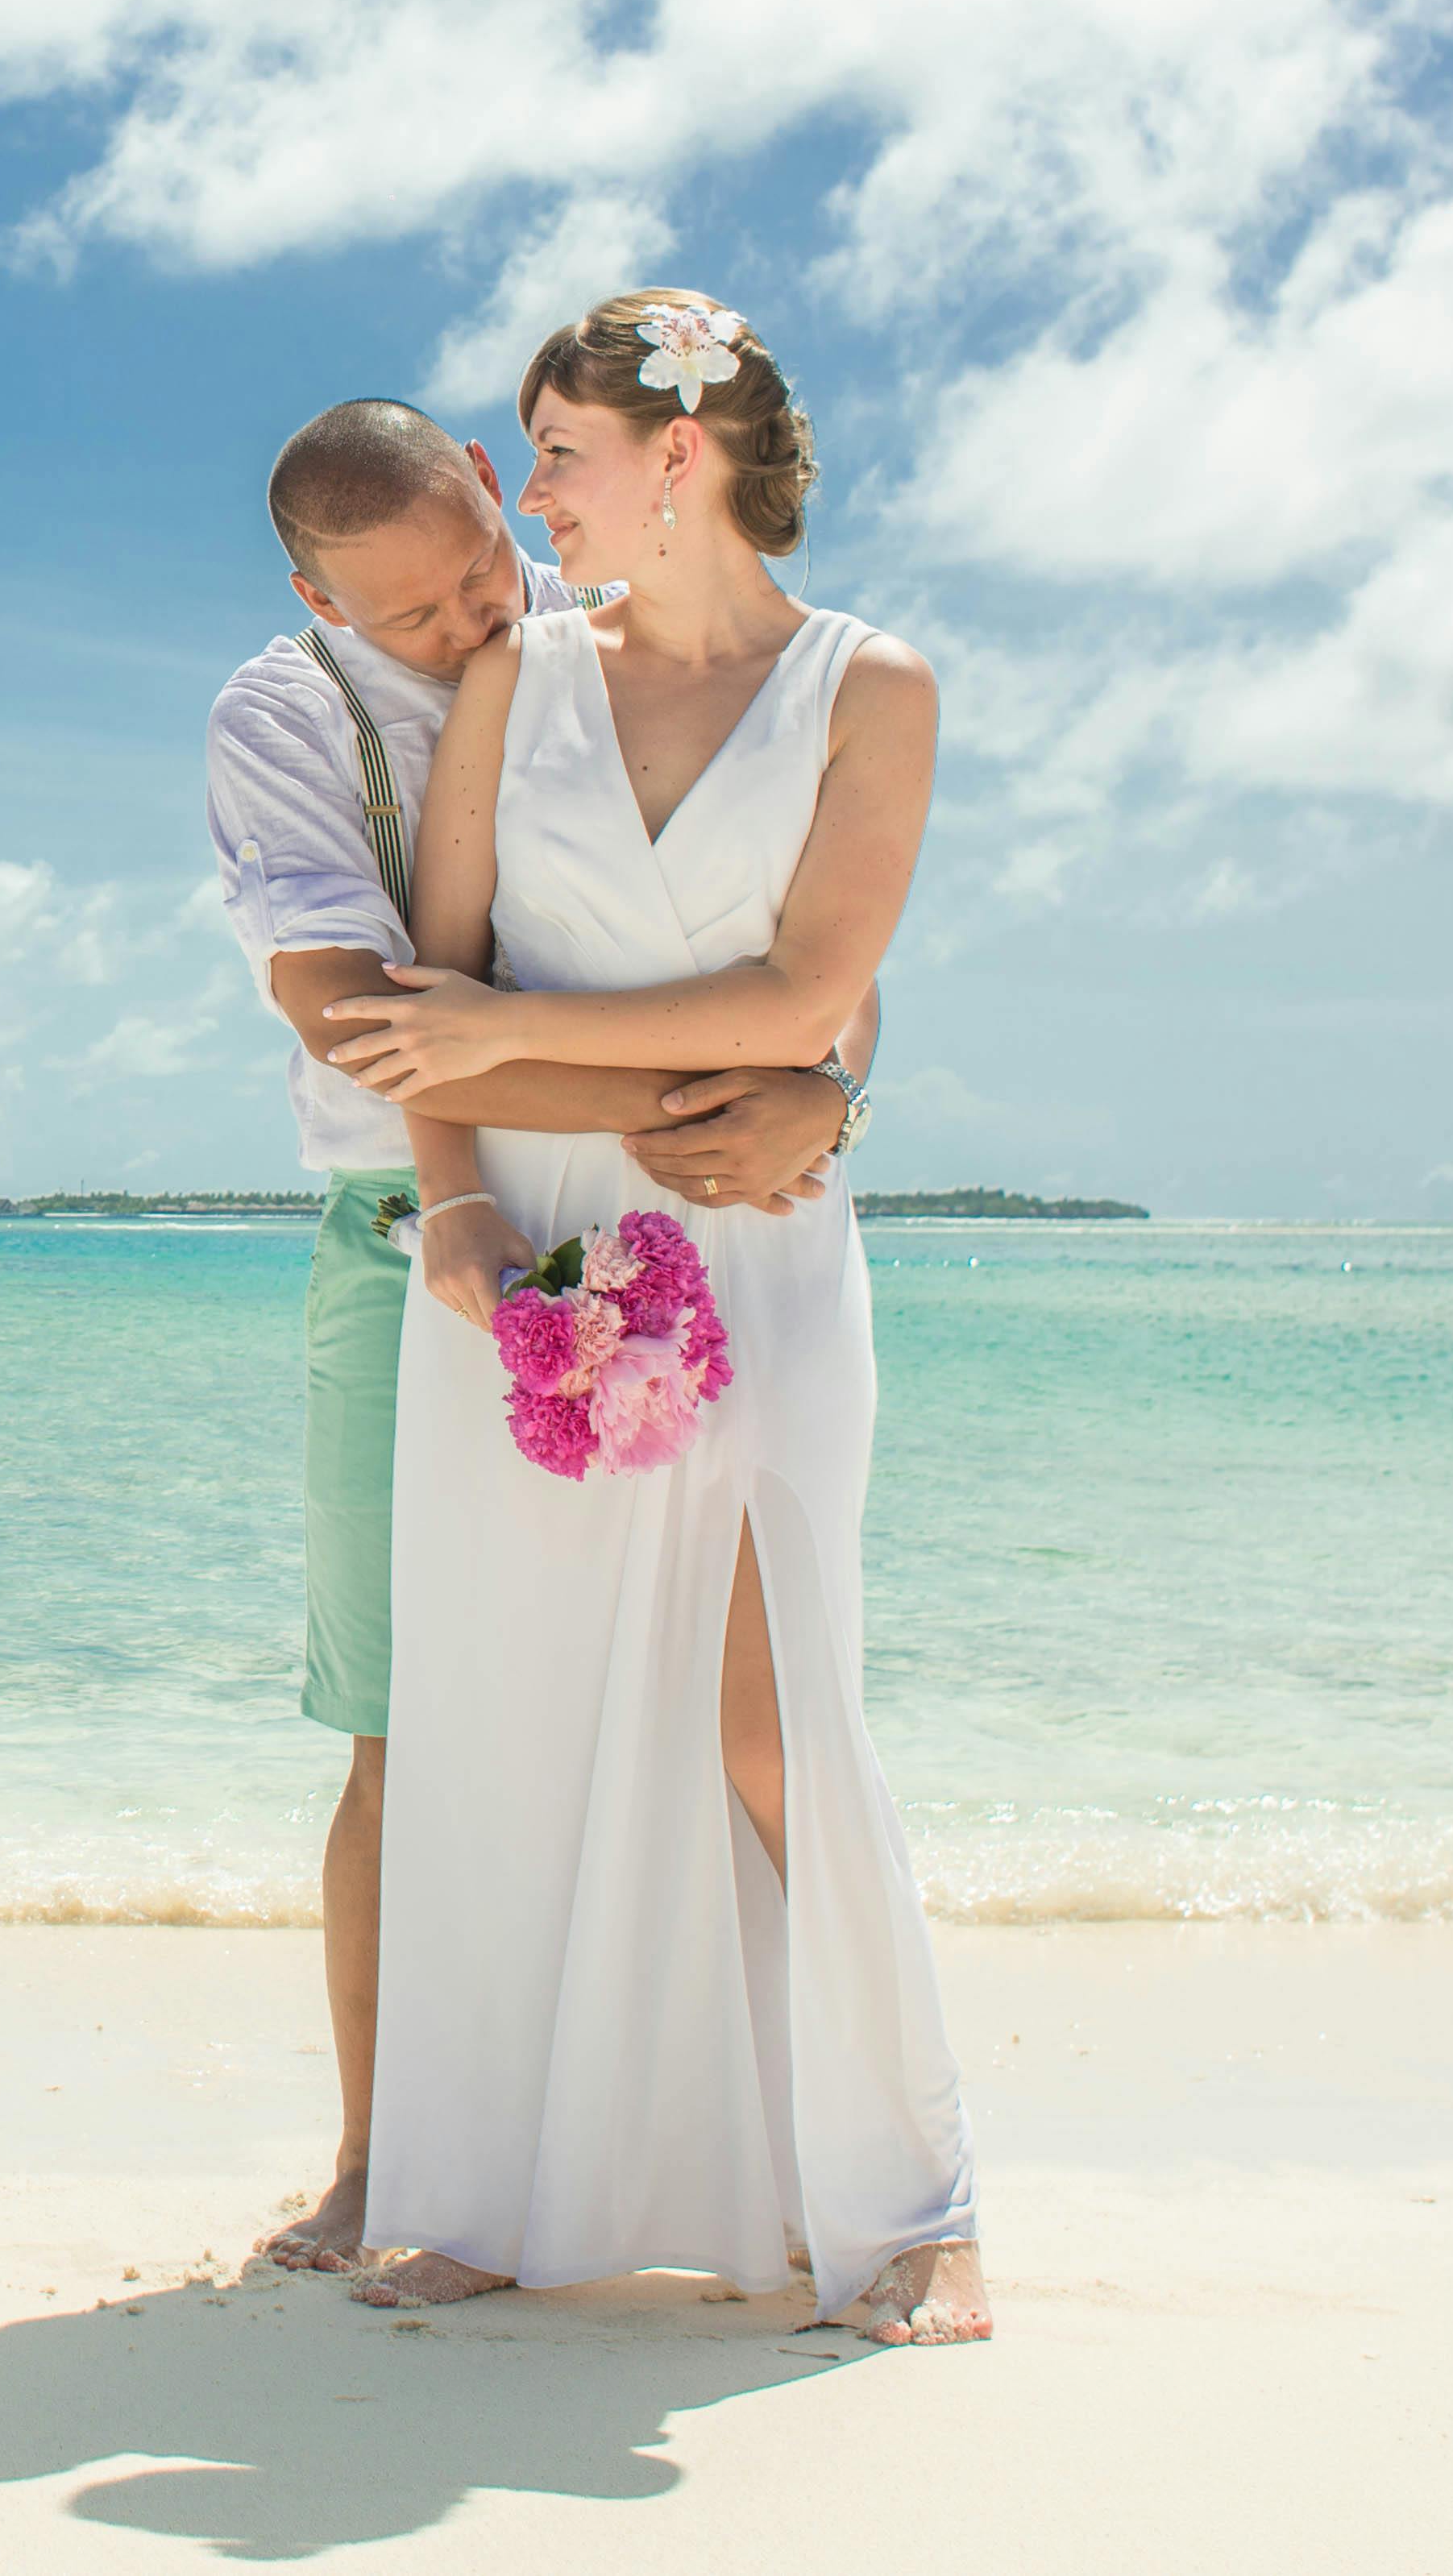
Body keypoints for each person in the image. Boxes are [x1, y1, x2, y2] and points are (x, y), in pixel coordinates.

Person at [316, 294, 990, 2347]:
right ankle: (490, 2193)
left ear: (676, 453)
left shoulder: (870, 690)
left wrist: (533, 1038)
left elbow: (805, 1001)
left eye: (557, 456)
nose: (529, 500)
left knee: (767, 1715)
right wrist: (462, 1178)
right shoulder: (517, 672)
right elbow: (410, 1010)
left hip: (763, 1244)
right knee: (505, 1717)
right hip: (528, 1256)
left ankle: (907, 2195)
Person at [205, 396, 872, 2281]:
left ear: (499, 492)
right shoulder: (286, 715)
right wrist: (751, 1069)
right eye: (404, 617)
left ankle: (783, 2145)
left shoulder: (620, 640)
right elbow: (360, 1013)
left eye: (473, 572)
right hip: (417, 1242)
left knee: (718, 1707)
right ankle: (379, 2154)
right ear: (312, 594)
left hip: (681, 1229)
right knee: (402, 1721)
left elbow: (814, 937)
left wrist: (816, 1080)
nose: (456, 628)